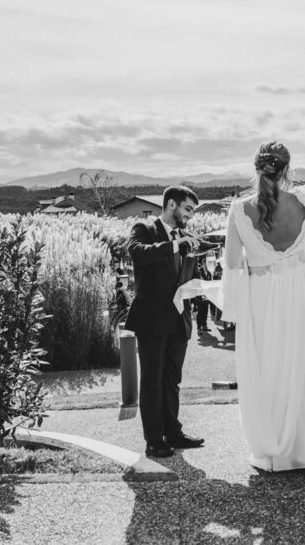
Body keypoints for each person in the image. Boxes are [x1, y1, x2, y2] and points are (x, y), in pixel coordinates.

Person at [220, 136, 305, 472]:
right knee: (300, 361)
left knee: (267, 364)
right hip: (300, 287)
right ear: (287, 169)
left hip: (262, 291)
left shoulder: (239, 209)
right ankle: (303, 449)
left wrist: (257, 255)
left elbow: (230, 263)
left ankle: (274, 450)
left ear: (256, 168)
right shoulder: (303, 199)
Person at [125, 186, 209, 459]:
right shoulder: (144, 228)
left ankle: (173, 432)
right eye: (188, 209)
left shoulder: (186, 238)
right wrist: (175, 245)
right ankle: (153, 439)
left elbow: (188, 276)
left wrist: (202, 286)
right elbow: (137, 252)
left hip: (178, 320)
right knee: (152, 381)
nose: (190, 216)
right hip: (152, 319)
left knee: (172, 380)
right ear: (171, 205)